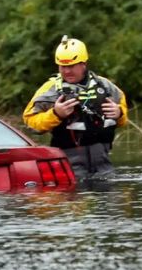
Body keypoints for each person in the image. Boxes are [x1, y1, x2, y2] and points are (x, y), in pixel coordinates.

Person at [22, 35, 128, 179]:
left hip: (104, 169)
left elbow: (122, 119)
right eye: (62, 66)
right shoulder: (49, 90)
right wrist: (56, 114)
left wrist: (119, 113)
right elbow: (30, 122)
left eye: (71, 66)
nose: (66, 71)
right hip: (69, 170)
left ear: (83, 64)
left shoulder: (106, 86)